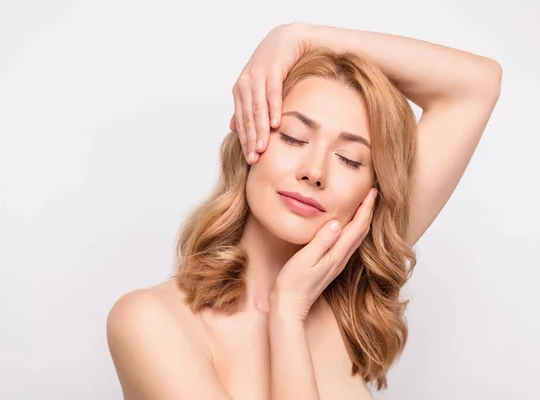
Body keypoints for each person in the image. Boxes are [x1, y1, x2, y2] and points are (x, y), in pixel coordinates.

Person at [106, 22, 502, 400]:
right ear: (249, 139)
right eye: (293, 137)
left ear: (371, 192)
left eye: (349, 160)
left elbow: (476, 85)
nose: (314, 172)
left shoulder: (349, 294)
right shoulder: (150, 322)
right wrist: (288, 312)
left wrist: (301, 36)